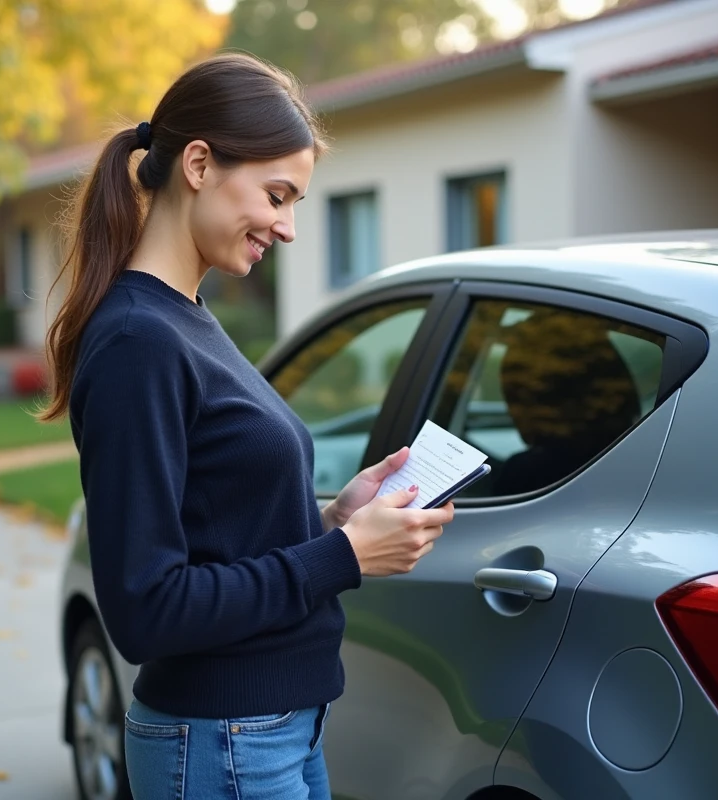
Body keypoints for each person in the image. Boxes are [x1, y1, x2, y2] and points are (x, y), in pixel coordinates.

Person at [39, 52, 455, 800]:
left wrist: (334, 521)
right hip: (223, 743)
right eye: (277, 195)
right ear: (199, 163)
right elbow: (146, 608)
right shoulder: (139, 342)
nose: (289, 228)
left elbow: (217, 530)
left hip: (269, 732)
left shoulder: (186, 319)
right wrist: (341, 558)